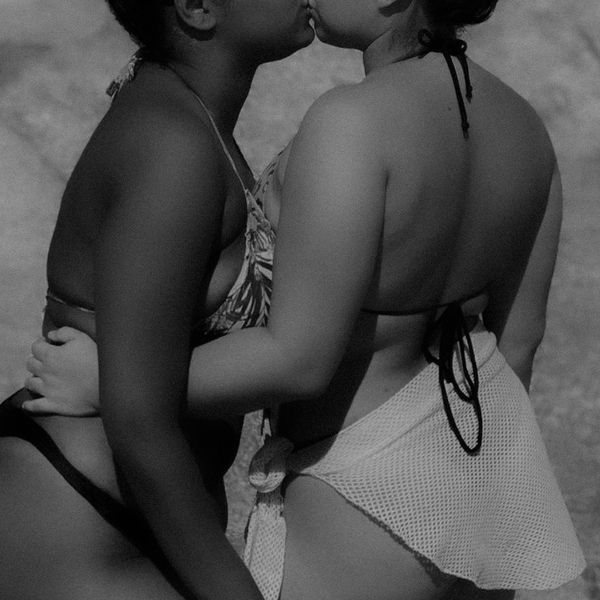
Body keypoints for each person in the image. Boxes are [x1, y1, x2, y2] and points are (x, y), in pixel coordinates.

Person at [24, 0, 586, 598]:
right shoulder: (524, 126)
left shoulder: (352, 122)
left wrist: (112, 385)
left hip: (362, 496)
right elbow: (519, 345)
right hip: (491, 486)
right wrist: (483, 498)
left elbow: (299, 360)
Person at [0, 1, 314, 599]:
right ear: (197, 8)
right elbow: (139, 420)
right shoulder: (174, 145)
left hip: (122, 506)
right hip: (80, 512)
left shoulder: (187, 118)